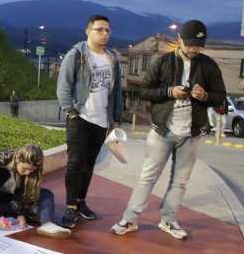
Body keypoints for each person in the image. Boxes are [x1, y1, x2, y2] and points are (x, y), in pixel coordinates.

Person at [112, 20, 226, 239]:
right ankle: (130, 219)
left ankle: (169, 220)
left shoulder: (209, 65)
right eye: (190, 44)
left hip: (192, 133)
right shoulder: (163, 62)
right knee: (148, 177)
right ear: (180, 40)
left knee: (180, 181)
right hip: (162, 130)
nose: (194, 49)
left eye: (199, 45)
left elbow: (220, 97)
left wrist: (206, 97)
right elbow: (145, 90)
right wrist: (169, 92)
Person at [57, 15, 123, 229]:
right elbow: (63, 86)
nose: (104, 34)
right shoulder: (76, 55)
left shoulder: (112, 58)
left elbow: (116, 91)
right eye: (100, 30)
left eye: (108, 31)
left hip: (102, 120)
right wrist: (71, 111)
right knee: (74, 163)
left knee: (89, 164)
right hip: (80, 118)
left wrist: (116, 117)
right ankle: (70, 206)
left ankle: (81, 201)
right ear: (88, 31)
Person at [0, 145, 71, 238]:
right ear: (18, 159)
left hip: (14, 198)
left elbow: (24, 192)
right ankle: (26, 212)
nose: (28, 173)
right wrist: (0, 217)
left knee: (47, 194)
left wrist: (20, 213)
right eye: (25, 169)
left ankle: (47, 224)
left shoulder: (32, 171)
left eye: (32, 170)